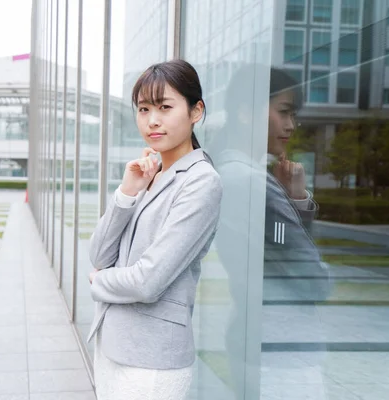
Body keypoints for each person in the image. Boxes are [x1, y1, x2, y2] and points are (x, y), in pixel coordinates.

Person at [87, 59, 223, 400]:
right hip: (112, 346)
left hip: (152, 362)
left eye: (165, 107)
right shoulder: (151, 173)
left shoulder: (201, 182)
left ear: (196, 112)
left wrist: (98, 281)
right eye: (144, 108)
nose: (152, 120)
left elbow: (149, 281)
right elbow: (100, 253)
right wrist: (128, 192)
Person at [210, 65, 332, 399]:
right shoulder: (253, 183)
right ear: (247, 112)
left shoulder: (230, 173)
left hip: (256, 338)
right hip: (283, 353)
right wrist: (289, 202)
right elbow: (316, 281)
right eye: (284, 112)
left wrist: (295, 200)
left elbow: (277, 251)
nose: (292, 125)